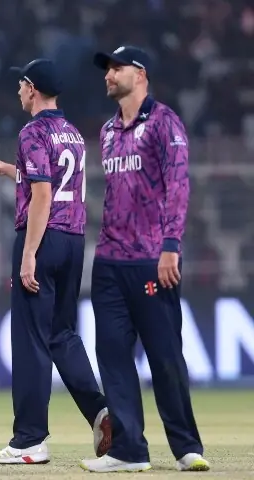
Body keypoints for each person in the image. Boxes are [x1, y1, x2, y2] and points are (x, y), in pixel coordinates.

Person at [0, 58, 111, 465]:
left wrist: (28, 254)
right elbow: (47, 178)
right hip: (72, 239)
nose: (17, 90)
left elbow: (43, 194)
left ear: (32, 89)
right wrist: (3, 169)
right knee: (62, 333)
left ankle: (29, 440)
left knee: (30, 341)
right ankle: (100, 411)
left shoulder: (32, 131)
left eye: (21, 84)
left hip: (42, 238)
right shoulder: (72, 134)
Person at [79, 46, 208, 473]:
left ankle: (187, 447)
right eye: (107, 70)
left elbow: (178, 185)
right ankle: (128, 450)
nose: (109, 75)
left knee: (165, 355)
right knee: (113, 357)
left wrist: (171, 245)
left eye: (117, 69)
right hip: (110, 263)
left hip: (153, 258)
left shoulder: (165, 123)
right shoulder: (108, 132)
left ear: (141, 74)